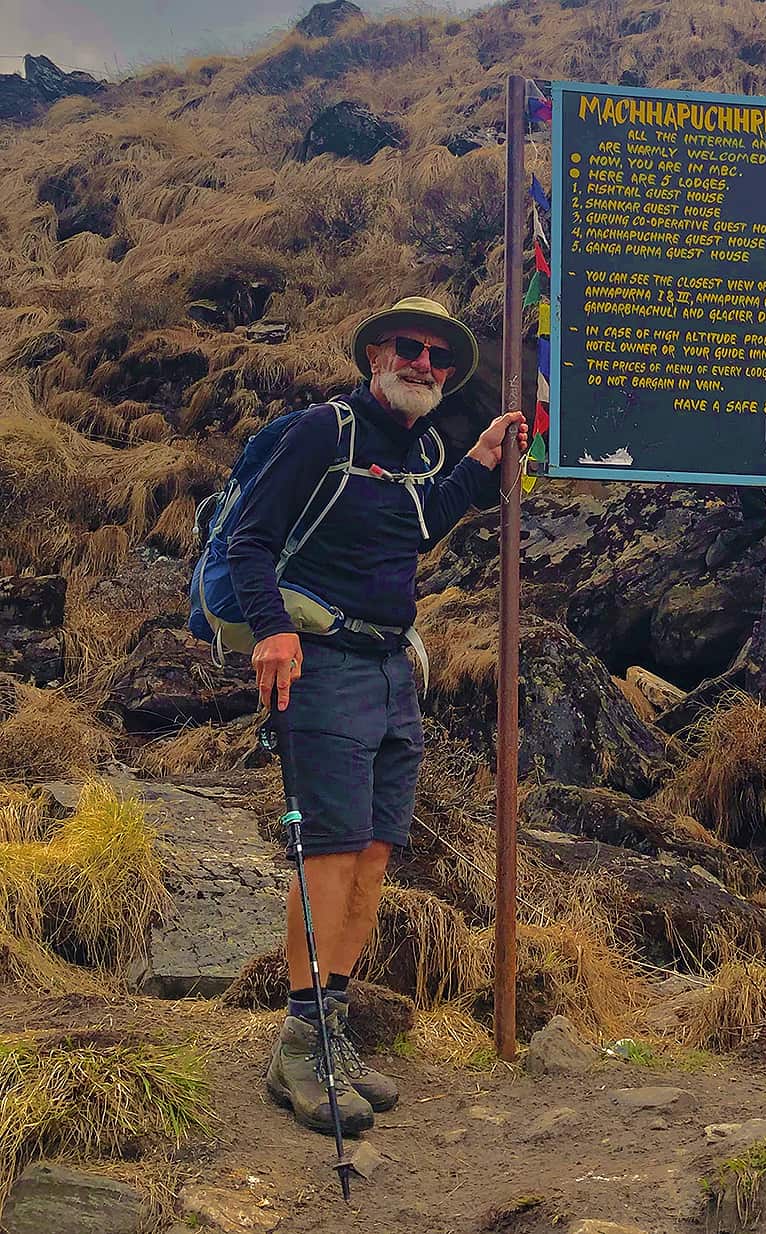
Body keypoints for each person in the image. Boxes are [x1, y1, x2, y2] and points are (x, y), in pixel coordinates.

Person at [228, 296, 527, 1136]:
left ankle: (332, 1030)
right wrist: (272, 630)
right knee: (328, 851)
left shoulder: (422, 449)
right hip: (322, 662)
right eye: (408, 346)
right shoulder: (321, 433)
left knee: (372, 851)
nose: (423, 363)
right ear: (373, 355)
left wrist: (480, 460)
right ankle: (299, 1050)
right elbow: (250, 539)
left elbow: (419, 527)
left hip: (396, 667)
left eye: (438, 355)